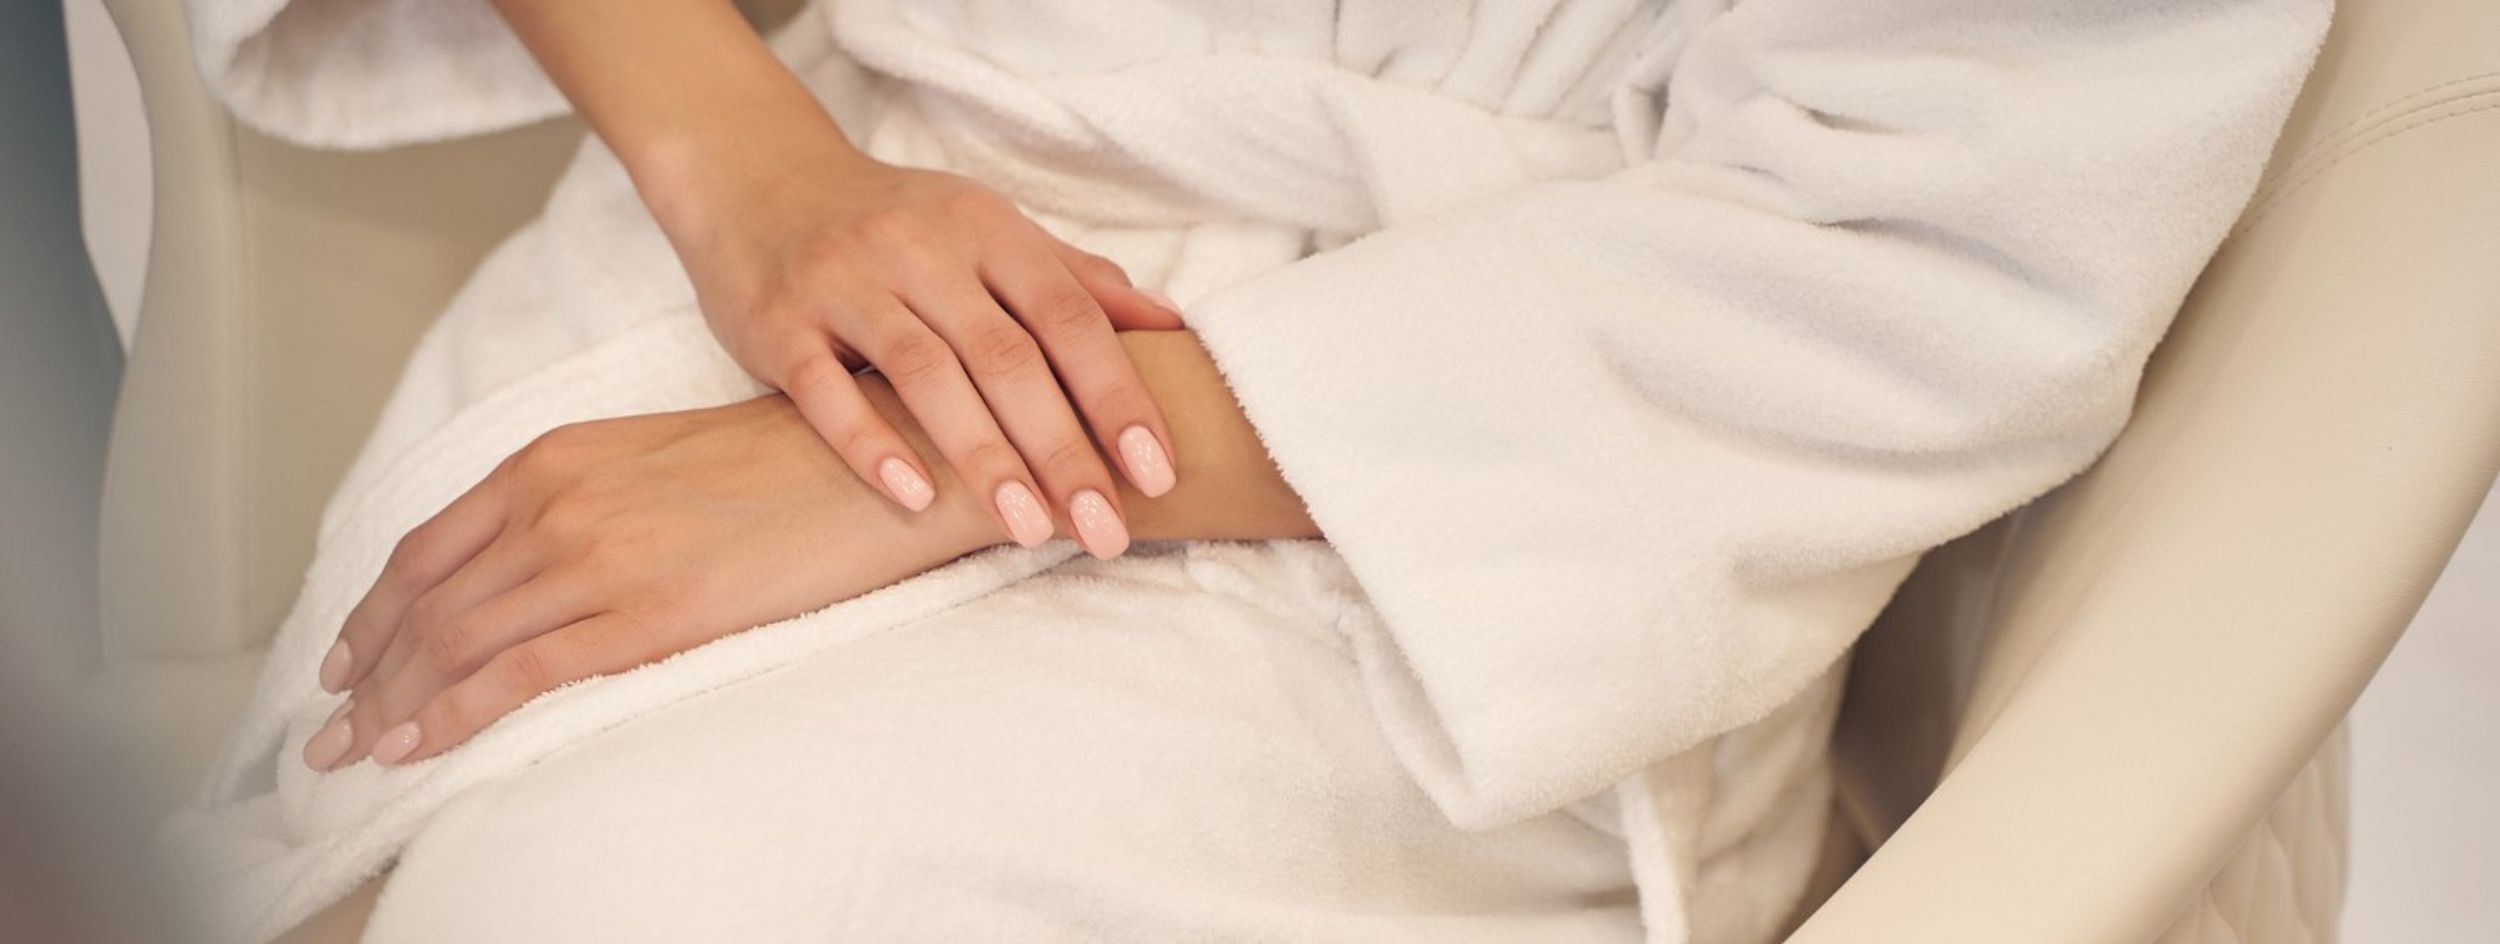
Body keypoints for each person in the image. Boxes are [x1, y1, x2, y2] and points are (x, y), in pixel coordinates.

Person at [163, 0, 2332, 941]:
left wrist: (953, 452)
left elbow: (1934, 254)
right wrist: (753, 178)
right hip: (846, 191)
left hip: (1481, 479)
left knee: (633, 903)